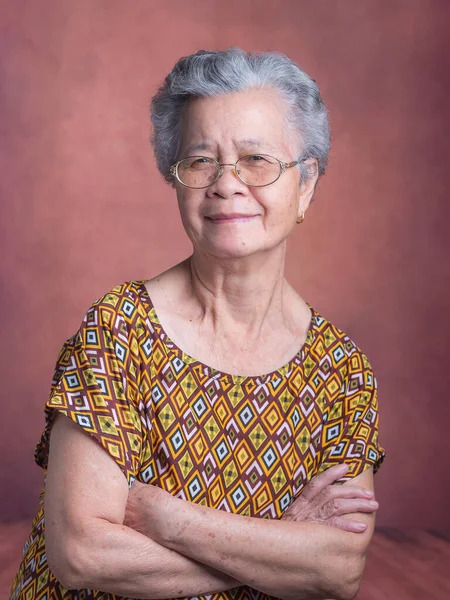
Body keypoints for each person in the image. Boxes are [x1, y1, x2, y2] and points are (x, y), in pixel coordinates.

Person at [10, 47, 386, 600]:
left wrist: (164, 517)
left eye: (257, 159)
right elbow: (83, 553)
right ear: (177, 180)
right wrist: (284, 550)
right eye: (201, 160)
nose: (227, 184)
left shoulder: (343, 372)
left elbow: (339, 571)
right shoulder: (120, 330)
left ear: (305, 184)